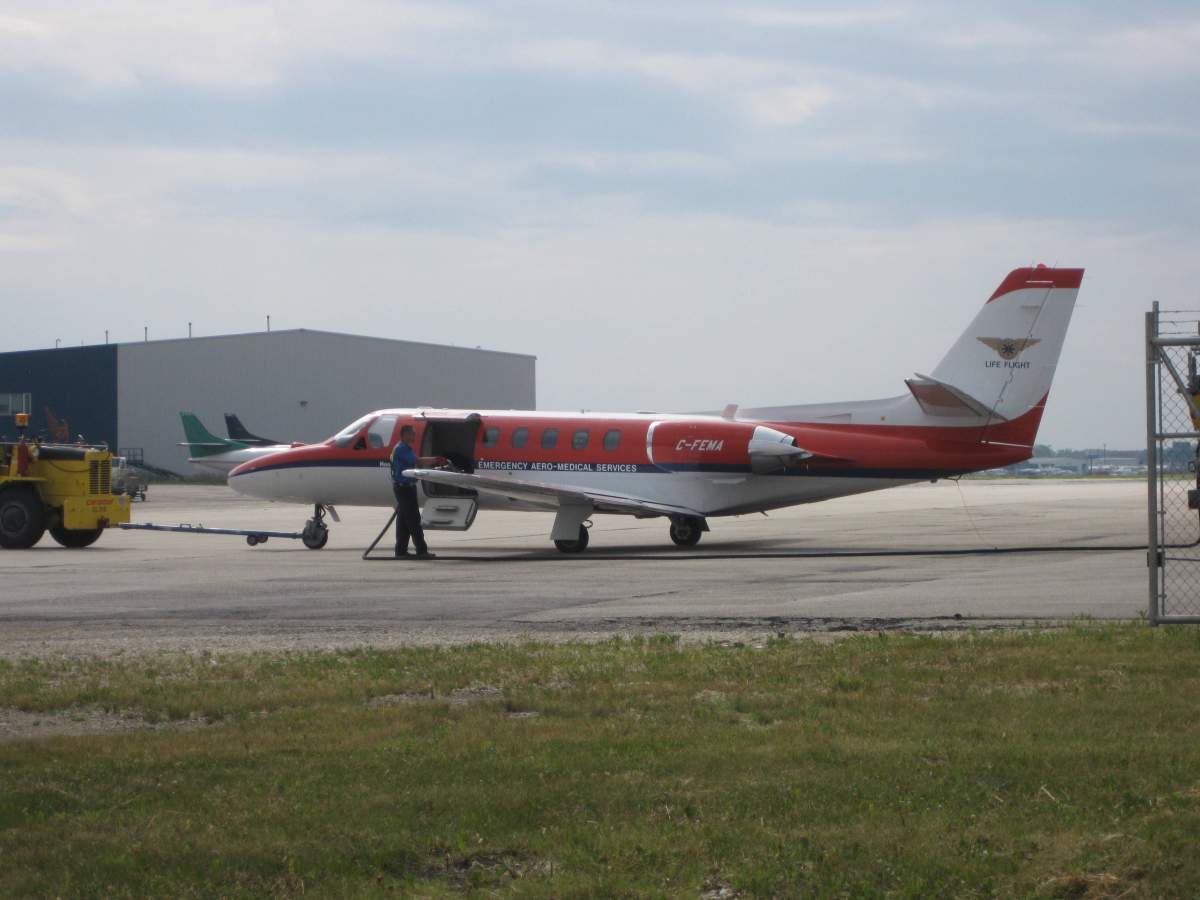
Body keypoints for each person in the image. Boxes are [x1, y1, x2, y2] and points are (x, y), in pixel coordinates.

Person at [390, 425, 439, 559]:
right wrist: (435, 460)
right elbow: (416, 461)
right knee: (413, 519)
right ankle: (421, 550)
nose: (414, 437)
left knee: (403, 520)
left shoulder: (401, 448)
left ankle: (400, 550)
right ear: (405, 435)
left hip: (404, 487)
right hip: (404, 488)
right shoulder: (402, 449)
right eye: (412, 434)